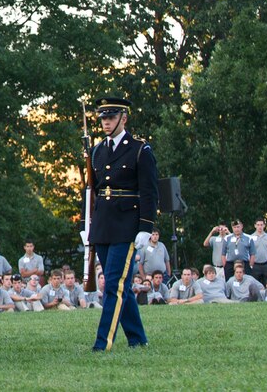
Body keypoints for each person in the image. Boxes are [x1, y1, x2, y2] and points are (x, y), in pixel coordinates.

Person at [87, 97, 158, 351]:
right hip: (104, 224)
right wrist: (88, 223)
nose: (106, 122)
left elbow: (150, 192)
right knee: (122, 287)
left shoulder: (140, 149)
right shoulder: (97, 150)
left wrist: (145, 228)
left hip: (127, 223)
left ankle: (102, 342)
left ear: (123, 118)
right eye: (103, 118)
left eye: (111, 117)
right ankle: (138, 339)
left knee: (113, 285)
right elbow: (92, 191)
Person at [248, 218, 267, 283]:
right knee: (255, 285)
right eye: (258, 225)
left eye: (261, 225)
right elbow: (248, 252)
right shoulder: (250, 237)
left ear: (264, 225)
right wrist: (250, 264)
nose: (260, 227)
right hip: (255, 265)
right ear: (255, 225)